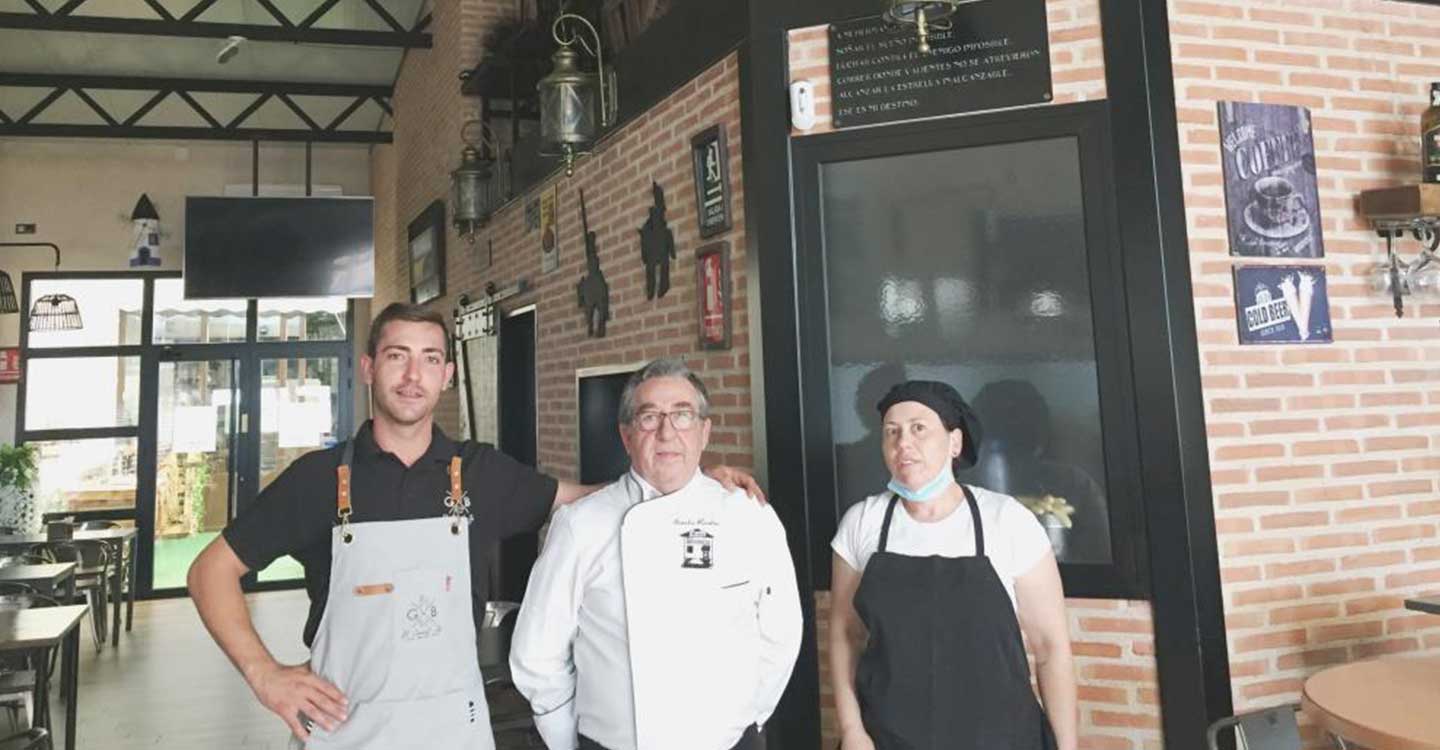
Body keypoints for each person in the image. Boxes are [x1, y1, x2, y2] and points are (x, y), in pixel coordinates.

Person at [187, 303, 762, 749]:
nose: (414, 375)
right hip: (345, 728)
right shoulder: (317, 479)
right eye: (397, 356)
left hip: (456, 729)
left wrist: (689, 475)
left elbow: (596, 500)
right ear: (368, 367)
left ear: (447, 375)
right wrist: (265, 675)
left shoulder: (479, 473)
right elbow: (211, 571)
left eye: (431, 358)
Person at [509, 358, 802, 750]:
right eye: (650, 418)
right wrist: (564, 740)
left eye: (682, 416)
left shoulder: (749, 517)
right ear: (626, 435)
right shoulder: (580, 524)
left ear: (705, 431)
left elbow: (781, 633)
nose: (667, 433)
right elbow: (538, 652)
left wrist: (746, 717)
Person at [828, 380, 1077, 750]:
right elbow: (844, 635)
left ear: (955, 442)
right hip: (888, 736)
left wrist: (1067, 747)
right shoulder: (863, 522)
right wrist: (852, 729)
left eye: (918, 429)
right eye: (891, 432)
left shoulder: (1007, 521)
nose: (903, 443)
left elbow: (1050, 648)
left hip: (1001, 738)